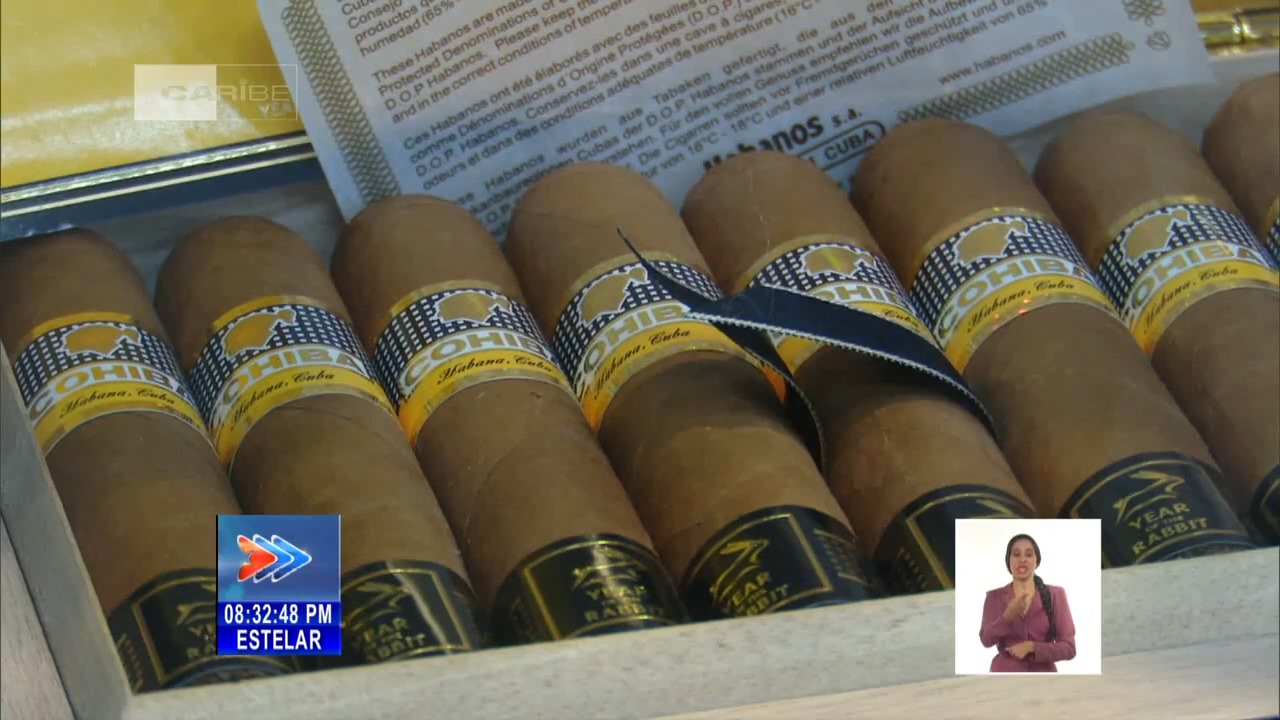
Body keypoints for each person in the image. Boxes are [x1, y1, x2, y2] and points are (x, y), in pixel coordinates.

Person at [979, 533, 1077, 672]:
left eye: (1029, 554)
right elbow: (986, 640)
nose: (1022, 559)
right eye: (1016, 555)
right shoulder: (994, 597)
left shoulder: (1056, 594)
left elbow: (1069, 648)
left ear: (1037, 560)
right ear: (1008, 561)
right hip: (1004, 674)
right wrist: (1008, 617)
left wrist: (1032, 647)